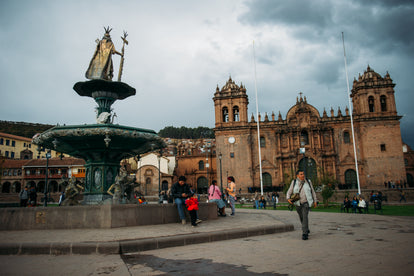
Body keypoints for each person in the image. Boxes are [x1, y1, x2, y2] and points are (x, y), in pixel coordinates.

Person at [286, 170, 317, 240]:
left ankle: (305, 233)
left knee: (305, 217)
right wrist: (288, 199)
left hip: (306, 203)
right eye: (301, 174)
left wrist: (315, 200)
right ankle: (306, 228)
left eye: (303, 174)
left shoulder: (308, 182)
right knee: (301, 217)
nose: (303, 175)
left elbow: (312, 191)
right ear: (297, 176)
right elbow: (289, 192)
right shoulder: (294, 182)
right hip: (297, 203)